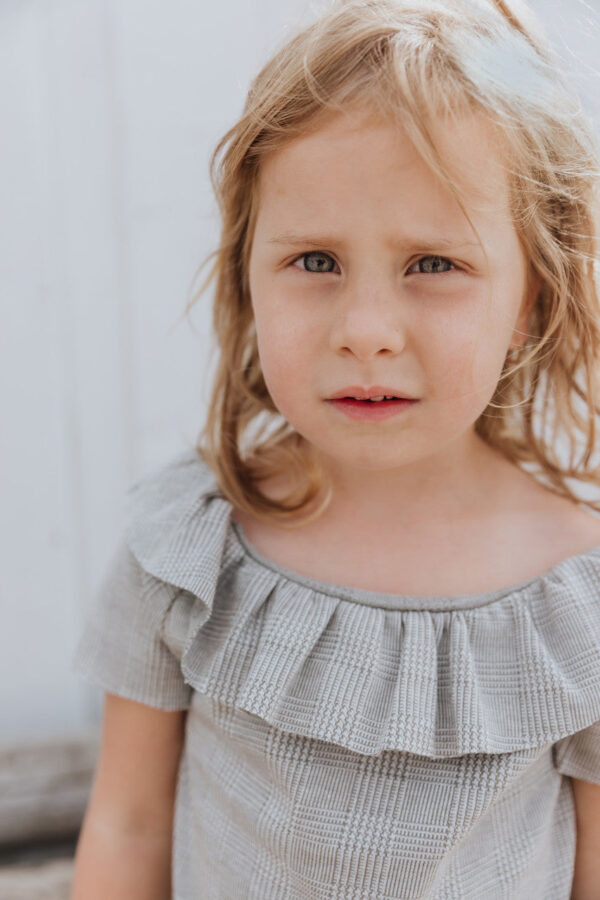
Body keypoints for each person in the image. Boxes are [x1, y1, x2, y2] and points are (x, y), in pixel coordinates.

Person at [69, 0, 600, 897]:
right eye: (315, 261)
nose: (366, 331)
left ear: (532, 301)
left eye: (434, 265)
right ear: (248, 273)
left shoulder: (578, 602)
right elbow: (126, 825)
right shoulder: (189, 551)